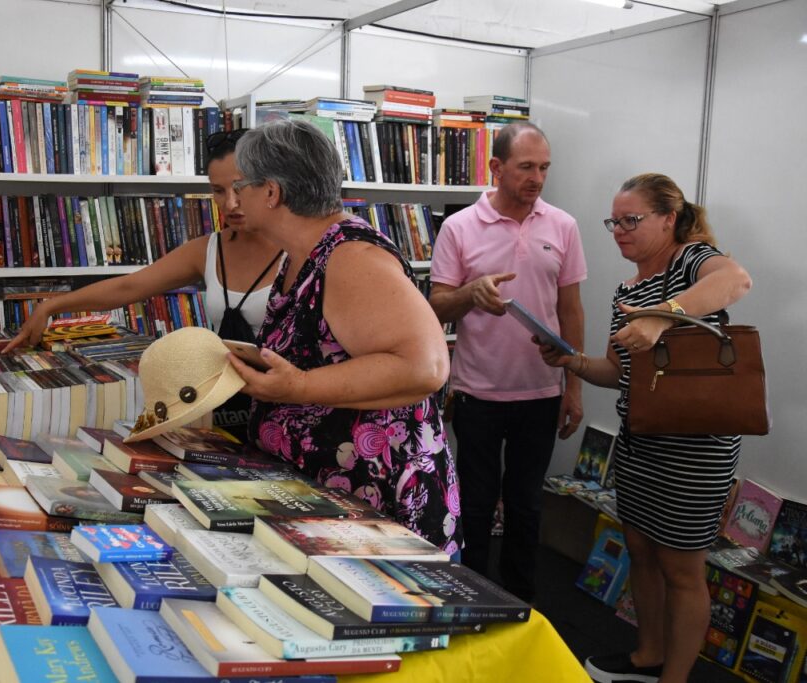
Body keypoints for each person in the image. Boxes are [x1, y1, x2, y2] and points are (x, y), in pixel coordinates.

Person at [539, 173, 751, 683]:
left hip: (694, 451)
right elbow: (617, 371)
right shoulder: (627, 290)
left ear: (669, 219)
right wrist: (572, 362)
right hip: (642, 443)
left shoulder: (691, 262)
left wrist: (664, 316)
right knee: (640, 551)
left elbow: (737, 280)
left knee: (683, 571)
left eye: (631, 220)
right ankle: (648, 654)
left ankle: (675, 677)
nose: (619, 231)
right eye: (614, 221)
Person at [225, 120, 459, 553]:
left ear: (272, 192)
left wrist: (296, 387)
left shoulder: (351, 257)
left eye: (242, 184)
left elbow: (424, 367)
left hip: (377, 510)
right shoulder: (305, 254)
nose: (236, 196)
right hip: (335, 503)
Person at [4, 130, 282, 436]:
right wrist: (53, 305)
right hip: (222, 405)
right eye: (218, 191)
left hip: (285, 407)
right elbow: (131, 287)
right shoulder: (208, 248)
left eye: (240, 187)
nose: (230, 204)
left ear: (268, 184)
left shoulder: (298, 247)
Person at [427, 121, 586, 601]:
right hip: (478, 392)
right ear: (496, 168)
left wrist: (574, 387)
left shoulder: (563, 225)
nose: (537, 178)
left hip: (541, 392)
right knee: (474, 505)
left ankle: (521, 604)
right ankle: (471, 597)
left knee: (525, 505)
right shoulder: (459, 227)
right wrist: (470, 295)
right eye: (526, 167)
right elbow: (435, 306)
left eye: (543, 168)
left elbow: (571, 309)